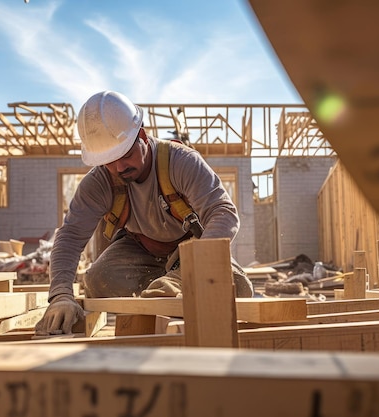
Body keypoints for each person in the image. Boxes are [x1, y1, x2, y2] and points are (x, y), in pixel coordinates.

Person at [34, 90, 253, 335]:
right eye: (109, 160)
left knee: (239, 288)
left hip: (190, 247)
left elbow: (223, 212)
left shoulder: (181, 162)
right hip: (140, 250)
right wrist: (61, 295)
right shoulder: (98, 183)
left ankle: (174, 285)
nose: (119, 167)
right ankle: (164, 291)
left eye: (126, 155)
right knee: (99, 280)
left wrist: (188, 272)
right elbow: (70, 237)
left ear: (142, 135)